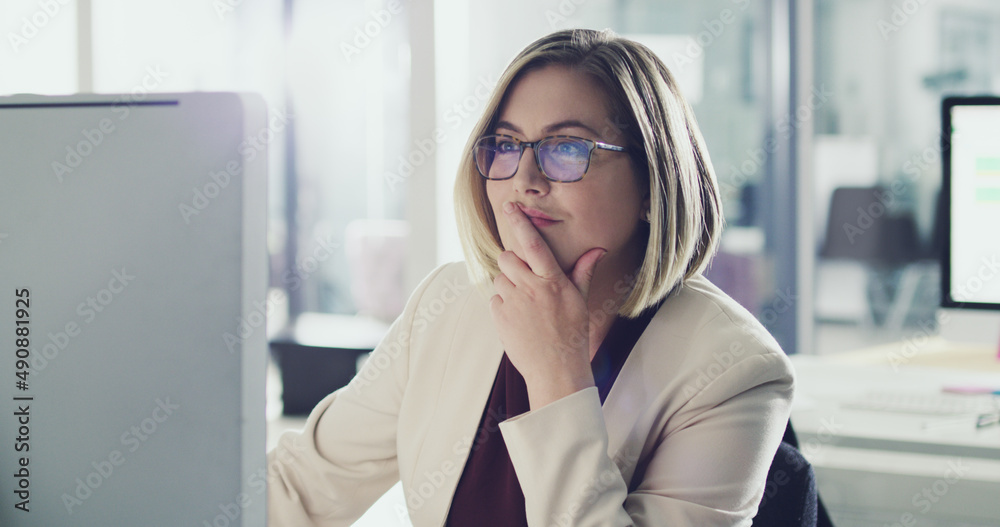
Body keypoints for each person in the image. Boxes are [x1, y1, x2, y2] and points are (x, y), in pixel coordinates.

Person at [268, 28, 794, 526]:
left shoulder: (735, 371)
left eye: (567, 148)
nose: (524, 179)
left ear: (653, 185)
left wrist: (556, 373)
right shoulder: (447, 303)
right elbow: (298, 488)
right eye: (505, 145)